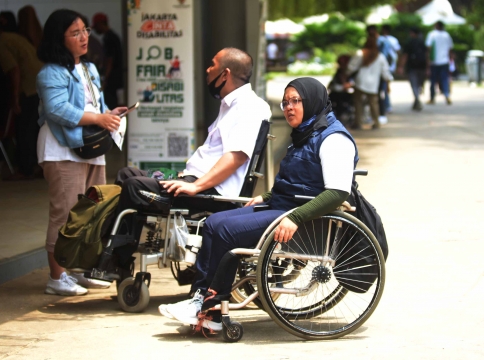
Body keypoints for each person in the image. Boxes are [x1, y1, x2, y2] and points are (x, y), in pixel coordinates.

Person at [158, 77, 358, 331]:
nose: (288, 107)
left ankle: (213, 309)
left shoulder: (334, 139)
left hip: (304, 219)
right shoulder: (305, 134)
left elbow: (338, 193)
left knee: (227, 231)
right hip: (281, 207)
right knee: (214, 222)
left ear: (312, 101)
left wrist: (295, 217)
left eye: (296, 101)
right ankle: (201, 299)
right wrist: (266, 196)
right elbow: (295, 180)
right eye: (285, 102)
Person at [113, 47, 271, 267]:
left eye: (212, 64)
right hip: (194, 179)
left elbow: (236, 158)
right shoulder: (230, 105)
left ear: (224, 74)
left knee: (133, 186)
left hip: (210, 192)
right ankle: (117, 254)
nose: (207, 69)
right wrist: (186, 176)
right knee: (127, 173)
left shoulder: (249, 107)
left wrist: (196, 186)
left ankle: (115, 262)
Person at [36, 9, 128, 296]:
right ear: (59, 39)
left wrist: (108, 114)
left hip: (90, 147)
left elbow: (93, 107)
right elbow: (57, 109)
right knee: (64, 214)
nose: (84, 37)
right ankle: (56, 276)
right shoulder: (51, 71)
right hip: (62, 148)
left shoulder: (88, 68)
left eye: (85, 30)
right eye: (75, 33)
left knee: (92, 212)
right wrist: (98, 119)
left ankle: (80, 269)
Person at [0, 21, 44, 180]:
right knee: (37, 129)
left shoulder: (0, 42)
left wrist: (14, 98)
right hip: (41, 85)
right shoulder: (17, 38)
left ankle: (25, 169)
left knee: (25, 130)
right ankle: (37, 166)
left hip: (29, 89)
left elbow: (14, 70)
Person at [347, 36, 392, 130]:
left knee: (358, 104)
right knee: (374, 104)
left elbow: (351, 67)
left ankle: (358, 123)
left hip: (360, 82)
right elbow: (385, 72)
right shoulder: (380, 56)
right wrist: (388, 83)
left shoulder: (360, 53)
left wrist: (346, 74)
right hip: (373, 84)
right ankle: (376, 123)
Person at [91, 13, 123, 109]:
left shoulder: (110, 38)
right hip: (114, 80)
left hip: (112, 81)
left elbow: (110, 60)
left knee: (111, 106)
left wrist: (104, 78)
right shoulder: (112, 37)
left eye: (96, 26)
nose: (95, 30)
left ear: (101, 24)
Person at [397, 27, 427, 111]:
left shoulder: (409, 43)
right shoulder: (422, 42)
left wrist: (401, 67)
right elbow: (427, 55)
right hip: (422, 66)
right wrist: (428, 67)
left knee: (414, 84)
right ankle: (416, 100)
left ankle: (417, 100)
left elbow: (405, 56)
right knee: (419, 84)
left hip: (412, 67)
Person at [367, 25, 391, 125]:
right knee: (378, 94)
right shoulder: (382, 41)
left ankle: (380, 115)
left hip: (377, 71)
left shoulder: (381, 42)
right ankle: (379, 115)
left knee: (378, 94)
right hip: (376, 71)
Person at [425, 21, 453, 105]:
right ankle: (447, 95)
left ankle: (432, 98)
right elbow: (450, 48)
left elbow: (428, 47)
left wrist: (428, 60)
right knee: (444, 79)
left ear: (436, 26)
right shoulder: (446, 35)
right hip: (444, 61)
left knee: (433, 80)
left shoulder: (432, 34)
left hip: (434, 61)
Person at [381, 24, 400, 113]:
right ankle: (387, 105)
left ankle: (386, 105)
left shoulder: (380, 39)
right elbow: (398, 51)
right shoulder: (393, 40)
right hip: (390, 65)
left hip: (383, 66)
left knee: (385, 85)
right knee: (386, 85)